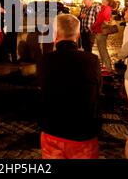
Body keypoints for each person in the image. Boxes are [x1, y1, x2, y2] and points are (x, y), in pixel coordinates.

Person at [38, 14, 100, 159]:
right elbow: (97, 91)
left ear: (55, 34)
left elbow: (43, 89)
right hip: (83, 132)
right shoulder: (92, 60)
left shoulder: (45, 61)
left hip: (53, 129)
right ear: (78, 35)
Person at [91, 0, 116, 73]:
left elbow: (101, 20)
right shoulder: (104, 8)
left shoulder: (107, 8)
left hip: (101, 31)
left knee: (103, 49)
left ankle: (108, 68)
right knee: (101, 49)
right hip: (99, 31)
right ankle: (104, 66)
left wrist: (93, 26)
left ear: (107, 2)